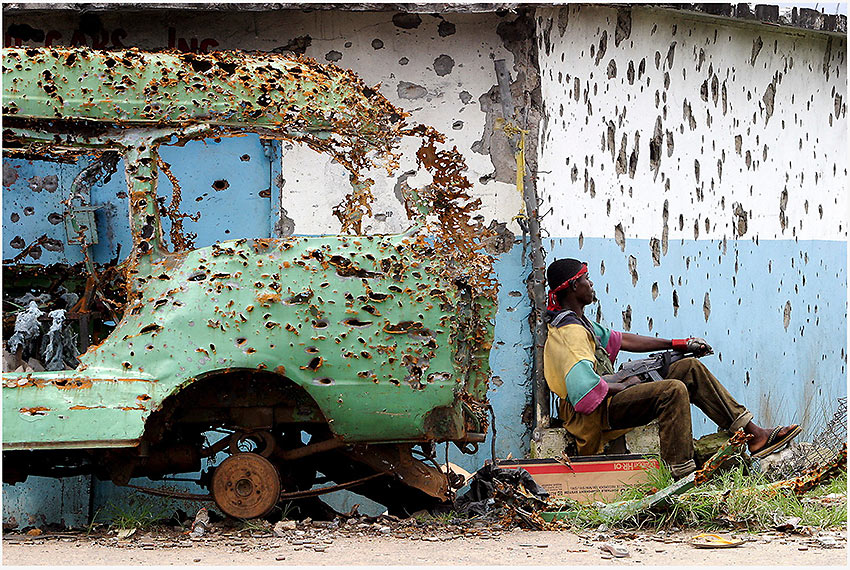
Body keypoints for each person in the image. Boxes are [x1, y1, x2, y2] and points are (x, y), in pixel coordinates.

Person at [543, 257, 801, 479]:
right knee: (672, 390)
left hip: (607, 400)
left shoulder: (581, 323)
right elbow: (582, 392)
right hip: (594, 414)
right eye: (587, 279)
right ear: (574, 286)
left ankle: (753, 434)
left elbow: (624, 340)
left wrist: (679, 344)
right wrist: (623, 385)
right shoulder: (571, 333)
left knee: (688, 367)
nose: (591, 284)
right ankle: (680, 473)